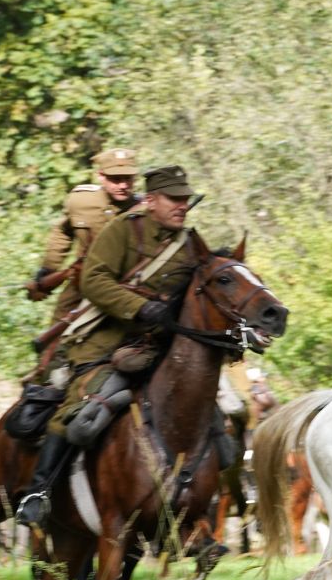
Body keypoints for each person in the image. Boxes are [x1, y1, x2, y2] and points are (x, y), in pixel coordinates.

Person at [16, 164, 202, 527]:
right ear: (151, 200)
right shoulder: (124, 230)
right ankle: (38, 493)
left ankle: (196, 502)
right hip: (105, 339)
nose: (183, 206)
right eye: (174, 199)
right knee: (80, 407)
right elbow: (93, 280)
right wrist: (140, 307)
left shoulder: (191, 243)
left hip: (164, 346)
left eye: (185, 199)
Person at [25, 148, 142, 325]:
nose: (123, 185)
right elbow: (63, 232)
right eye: (116, 179)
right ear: (101, 176)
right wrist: (48, 271)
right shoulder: (81, 201)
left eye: (128, 179)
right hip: (82, 282)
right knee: (56, 335)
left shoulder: (144, 210)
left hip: (128, 285)